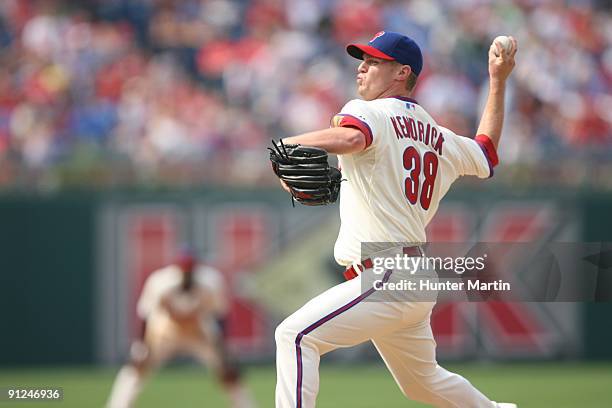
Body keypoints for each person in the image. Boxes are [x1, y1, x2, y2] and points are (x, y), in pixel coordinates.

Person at [273, 31, 518, 407]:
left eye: (374, 62)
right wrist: (498, 82)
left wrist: (291, 143)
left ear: (402, 73)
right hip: (413, 276)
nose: (362, 68)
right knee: (423, 384)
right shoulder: (440, 136)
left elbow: (354, 140)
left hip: (388, 273)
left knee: (295, 336)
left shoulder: (367, 110)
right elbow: (486, 152)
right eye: (363, 59)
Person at [106, 249, 255, 408]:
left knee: (228, 369)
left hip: (198, 333)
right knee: (136, 367)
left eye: (190, 268)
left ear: (197, 268)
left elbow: (220, 316)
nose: (187, 272)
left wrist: (224, 350)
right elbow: (145, 314)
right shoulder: (161, 281)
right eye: (184, 268)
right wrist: (141, 346)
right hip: (164, 332)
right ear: (176, 268)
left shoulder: (211, 281)